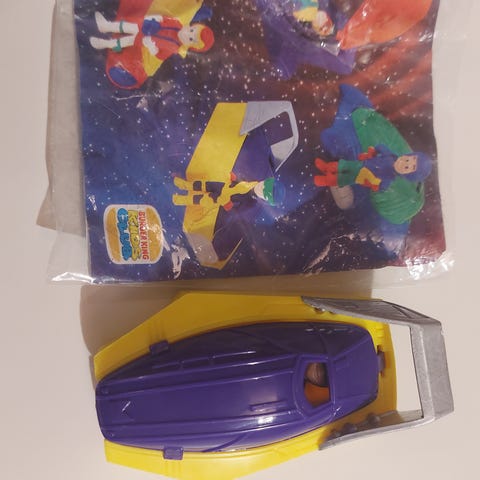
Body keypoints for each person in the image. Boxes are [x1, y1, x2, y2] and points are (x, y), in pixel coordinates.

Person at [89, 11, 214, 61]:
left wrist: (151, 47)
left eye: (191, 38)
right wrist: (154, 18)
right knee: (124, 26)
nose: (187, 33)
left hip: (142, 39)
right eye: (191, 30)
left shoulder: (174, 47)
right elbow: (163, 19)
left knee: (124, 41)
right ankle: (106, 26)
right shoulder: (177, 24)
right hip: (144, 26)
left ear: (190, 45)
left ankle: (105, 44)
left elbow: (159, 55)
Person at [314, 144, 432, 191]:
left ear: (406, 175)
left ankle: (325, 180)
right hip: (362, 164)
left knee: (344, 178)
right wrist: (372, 152)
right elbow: (381, 147)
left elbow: (381, 187)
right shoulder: (390, 156)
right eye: (407, 159)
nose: (403, 163)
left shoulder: (389, 177)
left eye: (407, 167)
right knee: (344, 165)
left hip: (360, 177)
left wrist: (373, 185)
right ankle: (326, 167)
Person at [172, 175, 285, 211]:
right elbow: (243, 183)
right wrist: (235, 179)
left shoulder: (251, 202)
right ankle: (183, 184)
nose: (261, 187)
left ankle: (178, 200)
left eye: (264, 191)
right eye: (264, 183)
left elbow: (237, 210)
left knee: (200, 199)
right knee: (202, 184)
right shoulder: (254, 183)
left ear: (264, 198)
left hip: (220, 198)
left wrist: (227, 204)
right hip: (223, 186)